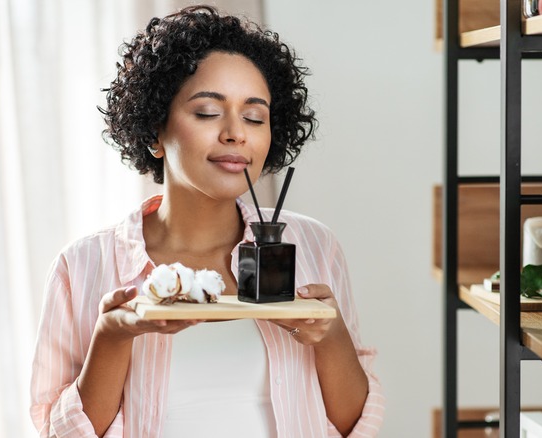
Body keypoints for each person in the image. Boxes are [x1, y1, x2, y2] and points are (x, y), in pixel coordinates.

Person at [30, 5, 384, 437]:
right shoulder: (84, 266)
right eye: (207, 112)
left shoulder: (312, 246)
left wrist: (330, 336)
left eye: (255, 117)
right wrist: (112, 336)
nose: (237, 133)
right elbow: (58, 433)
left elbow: (355, 425)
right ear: (154, 132)